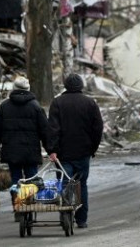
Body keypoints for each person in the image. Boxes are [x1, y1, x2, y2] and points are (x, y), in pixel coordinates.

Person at [47, 73, 103, 229]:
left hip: (62, 154)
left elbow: (52, 129)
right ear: (81, 86)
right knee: (81, 184)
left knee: (64, 183)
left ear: (65, 86)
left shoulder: (57, 103)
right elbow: (97, 128)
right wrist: (93, 148)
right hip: (83, 152)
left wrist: (52, 150)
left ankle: (65, 215)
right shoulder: (90, 103)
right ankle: (81, 219)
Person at [0, 77, 49, 185]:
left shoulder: (4, 107)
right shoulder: (35, 106)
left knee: (15, 179)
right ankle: (30, 201)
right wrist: (51, 150)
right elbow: (45, 131)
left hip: (11, 151)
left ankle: (16, 201)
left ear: (13, 88)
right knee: (32, 179)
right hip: (31, 152)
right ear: (28, 89)